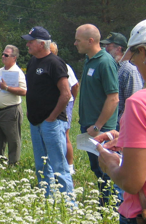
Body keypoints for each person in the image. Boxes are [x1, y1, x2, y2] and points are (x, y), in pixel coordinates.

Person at [96, 19, 146, 224]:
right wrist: (126, 137)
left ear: (143, 51)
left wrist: (109, 164)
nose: (132, 63)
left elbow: (132, 182)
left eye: (132, 56)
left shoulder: (139, 103)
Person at [22, 26, 74, 196]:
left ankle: (68, 203)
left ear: (42, 44)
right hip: (35, 121)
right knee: (41, 165)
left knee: (59, 164)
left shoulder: (55, 63)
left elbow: (66, 94)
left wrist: (52, 117)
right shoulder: (32, 62)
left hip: (51, 122)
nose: (27, 44)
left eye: (31, 41)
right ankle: (47, 197)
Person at [74, 24, 121, 206]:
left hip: (102, 129)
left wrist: (97, 127)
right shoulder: (89, 60)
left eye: (78, 40)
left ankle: (113, 207)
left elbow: (113, 98)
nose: (75, 43)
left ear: (90, 40)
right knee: (98, 168)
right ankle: (105, 204)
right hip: (90, 126)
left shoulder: (105, 62)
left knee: (107, 169)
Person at [0, 45, 27, 166]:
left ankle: (13, 164)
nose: (3, 56)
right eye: (3, 54)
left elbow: (24, 91)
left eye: (6, 55)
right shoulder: (1, 70)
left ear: (14, 57)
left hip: (10, 111)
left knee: (13, 139)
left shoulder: (18, 72)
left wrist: (7, 88)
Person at [101, 32, 143, 131]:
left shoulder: (129, 70)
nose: (105, 49)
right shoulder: (110, 67)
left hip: (121, 126)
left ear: (118, 49)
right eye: (104, 45)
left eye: (108, 46)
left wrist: (121, 124)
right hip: (107, 123)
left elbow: (133, 103)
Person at [50, 42, 80, 175]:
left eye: (51, 51)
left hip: (66, 103)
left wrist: (71, 100)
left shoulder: (64, 66)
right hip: (51, 103)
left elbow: (75, 86)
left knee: (65, 134)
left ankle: (69, 166)